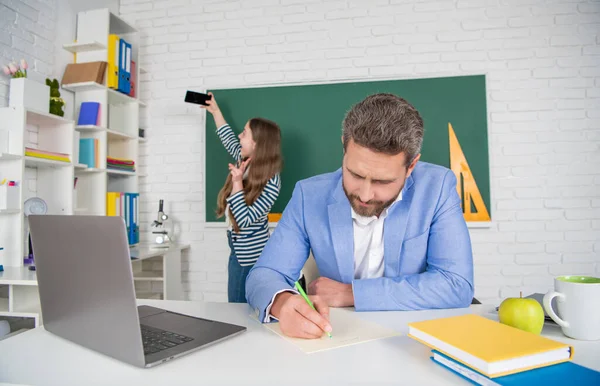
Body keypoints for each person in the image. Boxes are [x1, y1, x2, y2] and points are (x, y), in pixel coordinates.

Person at [245, 93, 474, 339]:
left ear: (411, 166)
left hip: (410, 339)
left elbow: (456, 284)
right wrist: (282, 302)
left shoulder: (437, 187)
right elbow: (264, 274)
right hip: (338, 337)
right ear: (344, 145)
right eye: (354, 174)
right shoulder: (308, 195)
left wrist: (351, 293)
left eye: (382, 181)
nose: (365, 194)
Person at [202, 93, 282, 303]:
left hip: (249, 256)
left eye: (244, 133)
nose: (239, 135)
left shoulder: (271, 181)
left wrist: (237, 182)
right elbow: (228, 137)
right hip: (237, 248)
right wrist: (215, 111)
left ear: (257, 143)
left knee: (238, 307)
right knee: (239, 305)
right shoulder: (245, 160)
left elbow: (245, 220)